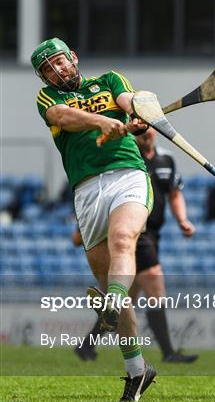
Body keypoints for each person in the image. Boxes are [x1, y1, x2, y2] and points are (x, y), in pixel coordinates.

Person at [32, 37, 155, 402]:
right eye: (48, 69)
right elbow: (62, 118)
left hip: (127, 174)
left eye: (59, 62)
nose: (57, 71)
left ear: (74, 58)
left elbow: (128, 101)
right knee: (107, 281)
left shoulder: (110, 79)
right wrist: (102, 121)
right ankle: (137, 371)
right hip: (85, 191)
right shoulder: (48, 98)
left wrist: (140, 108)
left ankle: (113, 299)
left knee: (123, 239)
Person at [75, 127, 199, 363]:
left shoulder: (166, 158)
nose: (146, 134)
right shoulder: (126, 157)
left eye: (149, 129)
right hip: (135, 232)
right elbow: (106, 192)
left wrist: (182, 219)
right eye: (140, 130)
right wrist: (80, 230)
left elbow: (174, 193)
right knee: (154, 282)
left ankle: (86, 345)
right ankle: (168, 352)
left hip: (154, 235)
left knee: (124, 299)